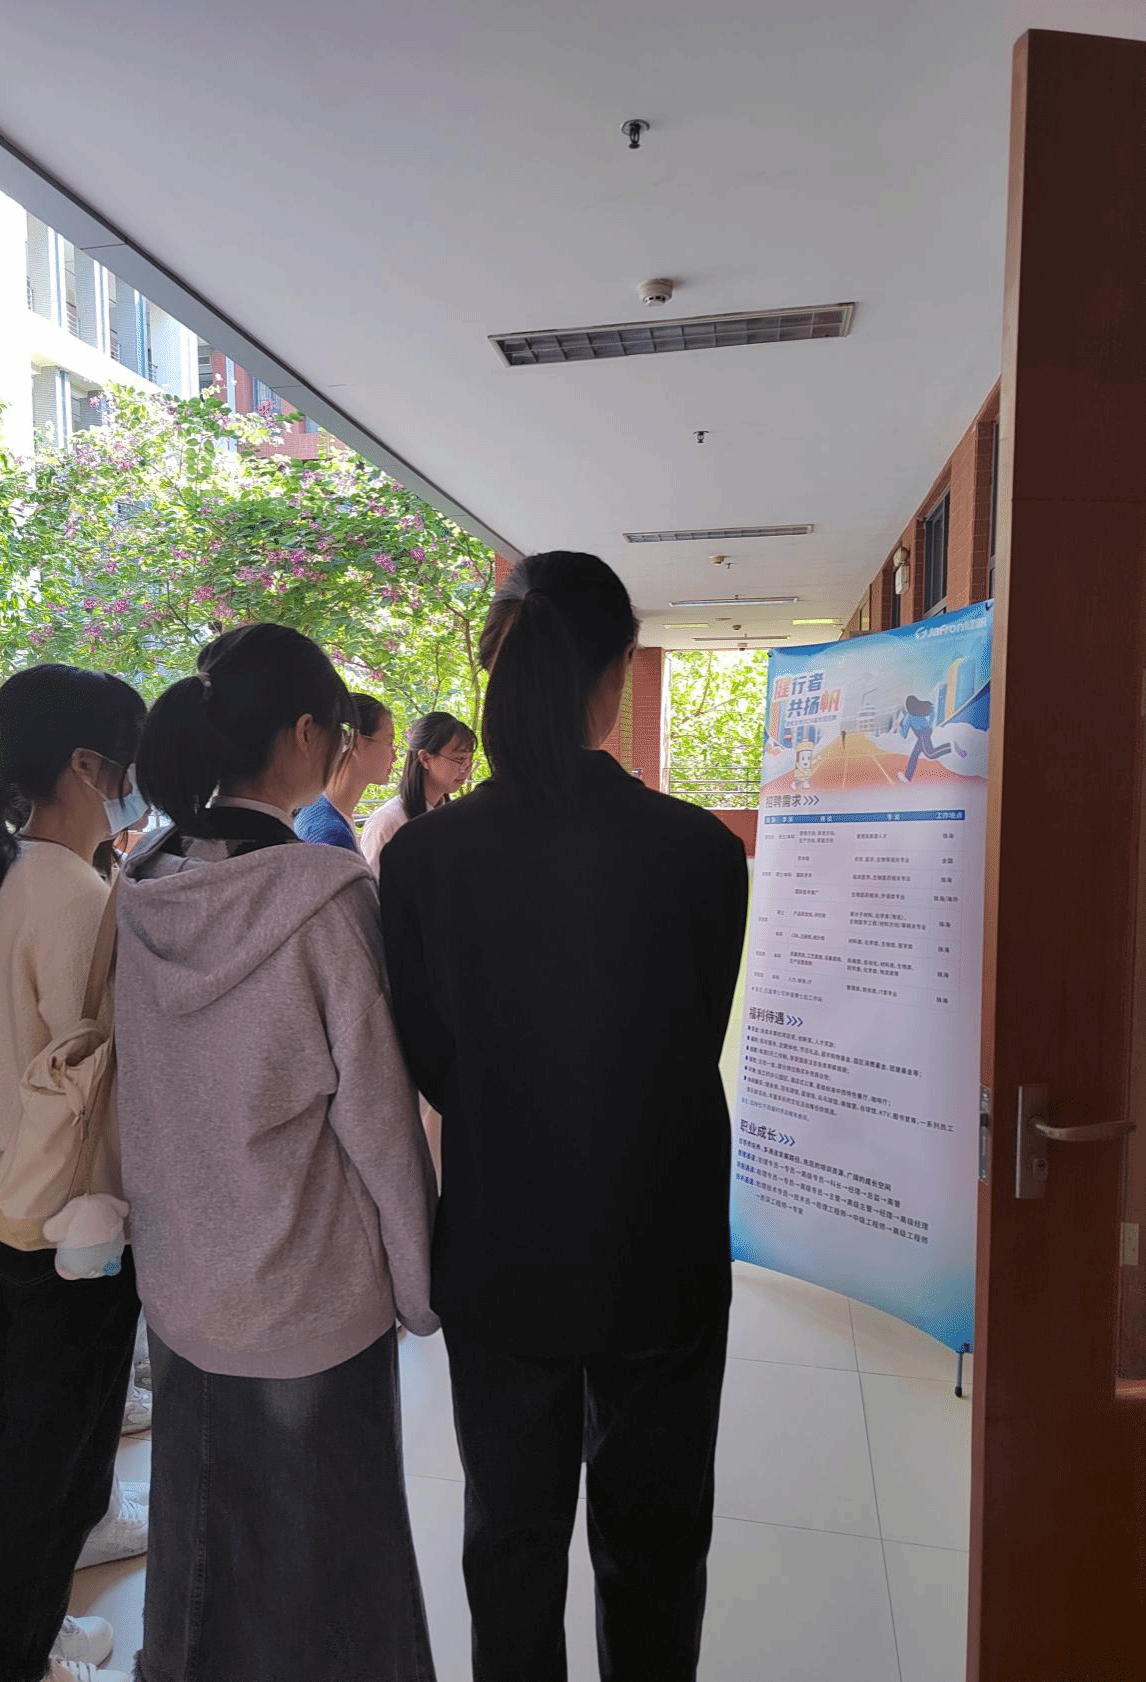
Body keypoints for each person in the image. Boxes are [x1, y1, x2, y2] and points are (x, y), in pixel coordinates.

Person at [380, 552, 750, 1682]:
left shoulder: (425, 858)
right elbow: (695, 1032)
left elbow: (431, 1058)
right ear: (619, 669)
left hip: (502, 1245)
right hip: (662, 1246)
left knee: (510, 1545)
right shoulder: (700, 850)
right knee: (656, 1550)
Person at [115, 623, 439, 1682]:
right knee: (332, 1572)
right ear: (305, 733)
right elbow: (379, 1122)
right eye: (337, 728)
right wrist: (419, 1285)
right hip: (307, 1297)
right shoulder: (321, 899)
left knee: (202, 1555)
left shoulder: (143, 886)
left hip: (182, 1285)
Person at [0, 664, 148, 1682]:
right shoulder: (76, 895)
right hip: (64, 1219)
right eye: (129, 763)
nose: (137, 786)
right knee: (56, 1467)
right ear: (85, 764)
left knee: (5, 1432)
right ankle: (16, 1657)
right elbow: (102, 1071)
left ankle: (5, 1643)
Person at [359, 710, 476, 879]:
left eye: (469, 759)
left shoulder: (455, 817)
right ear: (426, 759)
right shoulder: (389, 822)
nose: (466, 768)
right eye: (459, 759)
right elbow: (375, 889)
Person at [294, 692, 397, 851]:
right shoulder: (330, 836)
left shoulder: (317, 809)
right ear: (357, 741)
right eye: (389, 742)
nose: (394, 757)